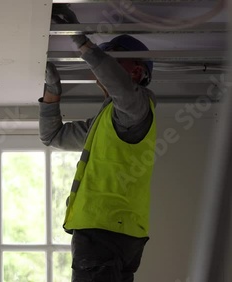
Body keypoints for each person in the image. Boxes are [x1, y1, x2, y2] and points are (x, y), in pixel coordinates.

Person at [40, 4, 157, 281]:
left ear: (136, 72)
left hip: (103, 231)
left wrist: (79, 38)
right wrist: (52, 91)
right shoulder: (106, 121)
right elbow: (52, 136)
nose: (100, 68)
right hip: (118, 235)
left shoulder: (138, 107)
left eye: (111, 60)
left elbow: (119, 87)